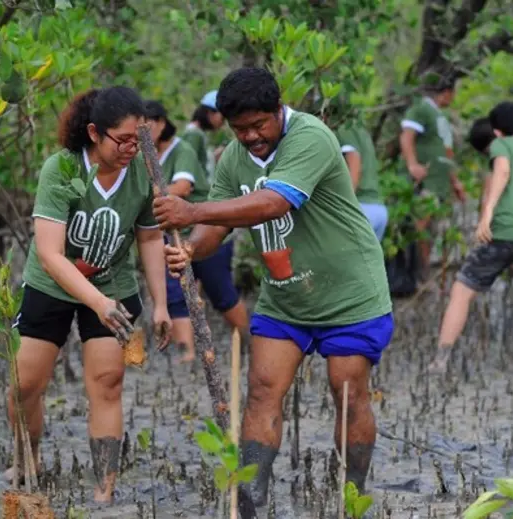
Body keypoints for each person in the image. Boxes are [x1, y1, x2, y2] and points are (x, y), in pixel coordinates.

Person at [153, 67, 394, 507]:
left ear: (278, 109)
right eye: (239, 128)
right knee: (262, 388)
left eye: (258, 125)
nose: (249, 136)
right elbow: (217, 227)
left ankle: (352, 496)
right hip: (285, 299)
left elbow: (273, 203)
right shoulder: (232, 158)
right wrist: (189, 249)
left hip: (350, 292)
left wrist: (192, 211)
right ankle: (249, 503)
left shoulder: (311, 136)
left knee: (348, 391)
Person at [7, 86, 172, 503]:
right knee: (24, 383)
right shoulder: (61, 169)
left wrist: (162, 304)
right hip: (52, 286)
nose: (133, 149)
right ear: (95, 133)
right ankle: (28, 459)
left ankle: (104, 487)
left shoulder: (142, 170)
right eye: (124, 140)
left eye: (141, 139)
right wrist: (95, 303)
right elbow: (49, 253)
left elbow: (150, 239)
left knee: (108, 382)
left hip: (114, 286)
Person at [428, 102, 513, 373]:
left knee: (462, 291)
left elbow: (502, 172)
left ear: (497, 133)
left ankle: (440, 361)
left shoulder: (503, 146)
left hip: (507, 232)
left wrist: (486, 216)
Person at [145, 100, 249, 363]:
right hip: (173, 238)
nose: (140, 133)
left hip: (205, 232)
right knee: (174, 293)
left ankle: (248, 341)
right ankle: (187, 355)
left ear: (159, 122)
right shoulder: (149, 156)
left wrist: (143, 198)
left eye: (145, 125)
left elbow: (182, 188)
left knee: (220, 293)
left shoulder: (183, 149)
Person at [399, 74, 465, 281]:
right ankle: (418, 273)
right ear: (447, 92)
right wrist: (412, 164)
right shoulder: (422, 109)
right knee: (421, 225)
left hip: (440, 182)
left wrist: (454, 181)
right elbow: (407, 136)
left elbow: (446, 152)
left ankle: (427, 271)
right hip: (426, 181)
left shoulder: (439, 115)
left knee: (434, 228)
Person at [336, 118, 389, 241]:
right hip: (377, 208)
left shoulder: (344, 128)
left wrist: (345, 204)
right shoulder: (360, 128)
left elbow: (354, 161)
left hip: (360, 208)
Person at [181, 90, 226, 176]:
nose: (222, 123)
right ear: (210, 113)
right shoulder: (194, 135)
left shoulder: (198, 134)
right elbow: (189, 168)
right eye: (222, 118)